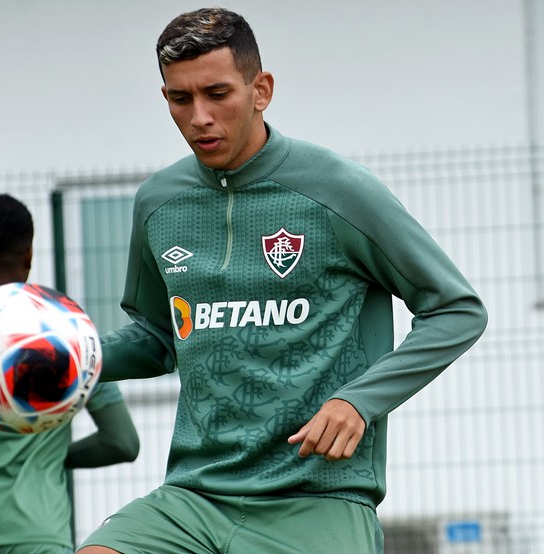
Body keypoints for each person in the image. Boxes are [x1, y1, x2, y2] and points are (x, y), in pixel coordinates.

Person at [77, 6, 487, 554]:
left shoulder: (337, 189)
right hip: (196, 496)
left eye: (217, 93)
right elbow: (159, 338)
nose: (199, 116)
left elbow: (457, 309)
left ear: (260, 89)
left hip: (317, 496)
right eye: (181, 99)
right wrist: (69, 357)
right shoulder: (159, 203)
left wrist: (359, 401)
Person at [0, 194, 141, 554]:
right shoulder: (66, 332)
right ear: (30, 255)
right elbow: (122, 441)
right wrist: (51, 458)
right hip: (39, 534)